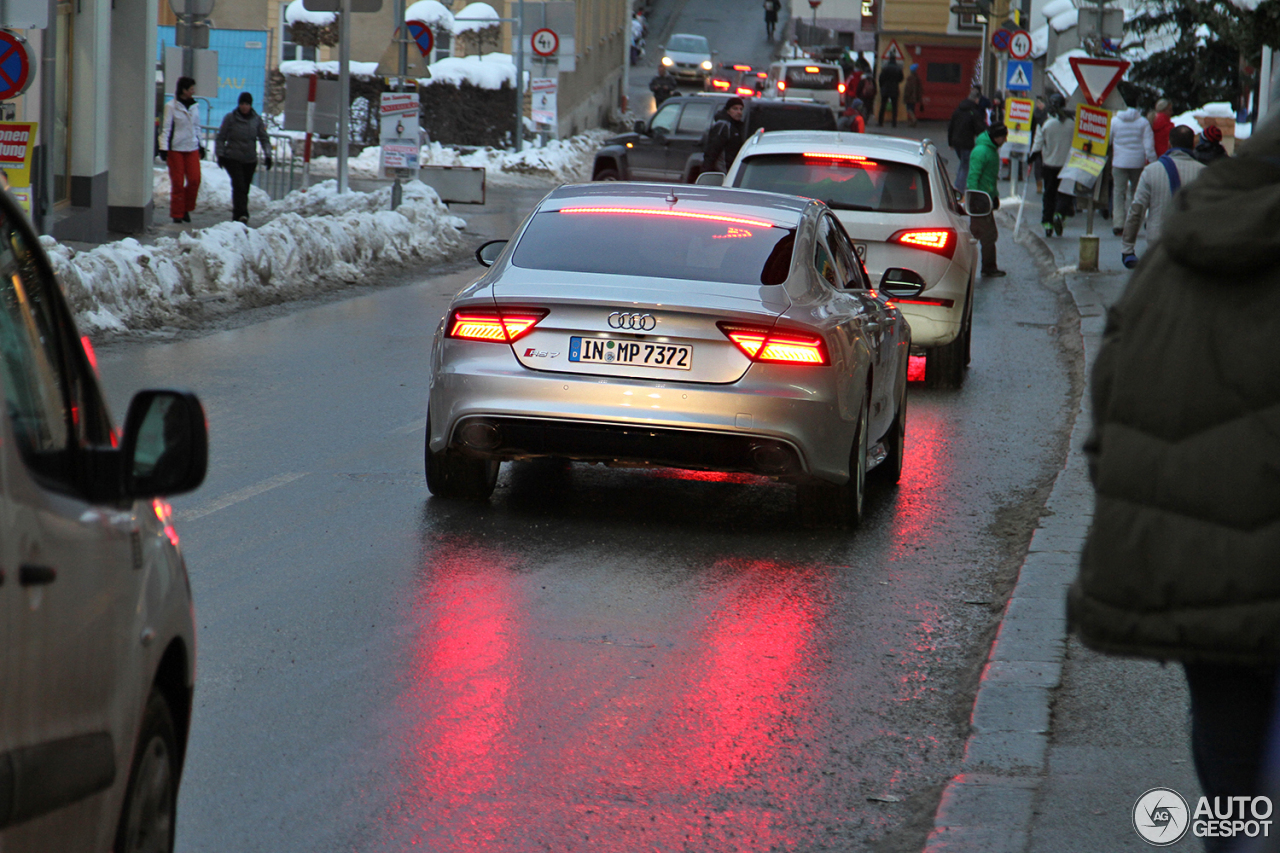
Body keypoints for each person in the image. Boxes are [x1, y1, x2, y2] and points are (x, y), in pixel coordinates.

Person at [1069, 117, 1280, 853]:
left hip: (1210, 592)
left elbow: (1115, 399)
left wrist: (1163, 517)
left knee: (1232, 792)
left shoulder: (1183, 253)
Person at [1120, 124, 1206, 268]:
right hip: (1191, 245)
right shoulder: (1205, 174)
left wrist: (1127, 249)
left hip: (1158, 243)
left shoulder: (1151, 171)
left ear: (1169, 144)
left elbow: (1136, 212)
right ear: (1193, 145)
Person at [215, 92, 273, 225]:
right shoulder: (230, 118)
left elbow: (264, 138)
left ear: (250, 105)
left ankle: (238, 215)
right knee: (239, 185)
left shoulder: (256, 120)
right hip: (233, 158)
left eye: (247, 104)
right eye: (242, 104)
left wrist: (268, 155)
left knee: (244, 188)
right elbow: (221, 138)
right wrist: (220, 154)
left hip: (250, 160)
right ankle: (242, 214)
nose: (244, 107)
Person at [158, 76, 203, 225]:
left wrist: (200, 144)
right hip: (176, 149)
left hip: (192, 147)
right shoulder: (171, 106)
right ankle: (177, 213)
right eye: (191, 89)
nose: (193, 91)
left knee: (195, 179)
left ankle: (187, 208)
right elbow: (166, 128)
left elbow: (197, 127)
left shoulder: (195, 106)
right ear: (184, 90)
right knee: (177, 182)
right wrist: (164, 148)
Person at [1029, 93, 1074, 237]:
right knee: (1065, 193)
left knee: (1049, 194)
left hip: (1049, 165)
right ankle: (1060, 214)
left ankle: (1047, 222)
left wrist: (1032, 157)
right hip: (1066, 165)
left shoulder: (1045, 124)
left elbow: (1037, 145)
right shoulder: (1072, 124)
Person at [966, 122, 1008, 277]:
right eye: (1004, 137)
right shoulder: (982, 151)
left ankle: (987, 266)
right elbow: (973, 176)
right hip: (980, 201)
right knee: (984, 235)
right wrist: (975, 199)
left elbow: (990, 178)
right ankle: (987, 267)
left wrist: (994, 195)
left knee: (982, 234)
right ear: (998, 137)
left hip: (985, 200)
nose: (1005, 141)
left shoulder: (990, 150)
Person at [1109, 106, 1157, 236]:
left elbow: (1107, 140)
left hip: (1119, 162)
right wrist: (1153, 161)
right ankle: (1133, 223)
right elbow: (1148, 145)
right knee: (1136, 194)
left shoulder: (1114, 121)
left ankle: (1118, 224)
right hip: (1137, 162)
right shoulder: (1143, 122)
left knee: (1118, 193)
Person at [947, 86, 987, 191]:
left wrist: (950, 142)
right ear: (977, 100)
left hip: (956, 142)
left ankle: (960, 185)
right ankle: (959, 189)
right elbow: (980, 129)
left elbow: (951, 126)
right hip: (967, 143)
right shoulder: (973, 112)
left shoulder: (958, 110)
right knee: (965, 165)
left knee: (963, 163)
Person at [702, 97, 745, 173]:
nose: (739, 112)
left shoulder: (738, 127)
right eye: (735, 109)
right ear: (728, 111)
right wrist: (706, 173)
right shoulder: (723, 126)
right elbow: (712, 151)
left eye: (741, 109)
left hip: (733, 172)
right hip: (723, 172)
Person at [877, 56, 904, 127]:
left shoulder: (885, 68)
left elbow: (880, 79)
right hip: (894, 89)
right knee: (894, 107)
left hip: (885, 89)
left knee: (883, 106)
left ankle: (880, 122)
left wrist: (882, 87)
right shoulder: (898, 68)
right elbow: (901, 79)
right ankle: (894, 123)